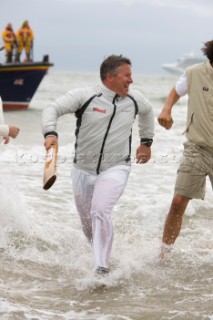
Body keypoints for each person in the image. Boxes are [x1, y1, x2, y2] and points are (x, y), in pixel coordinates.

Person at [42, 54, 154, 274]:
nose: (131, 80)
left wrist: (146, 142)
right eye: (127, 75)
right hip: (82, 170)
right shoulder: (85, 96)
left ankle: (101, 267)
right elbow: (51, 109)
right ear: (110, 77)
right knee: (88, 225)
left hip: (116, 167)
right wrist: (50, 133)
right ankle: (100, 254)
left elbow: (148, 112)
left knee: (100, 211)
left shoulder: (134, 99)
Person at [158, 40, 213, 259]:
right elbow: (176, 91)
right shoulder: (193, 73)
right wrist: (166, 109)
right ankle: (164, 254)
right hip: (196, 148)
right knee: (178, 202)